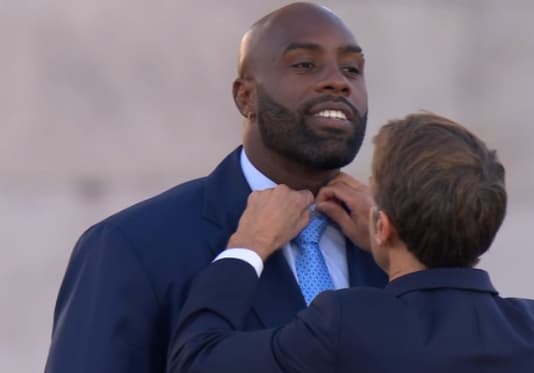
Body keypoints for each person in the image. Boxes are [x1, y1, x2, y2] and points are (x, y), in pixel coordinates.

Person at [44, 3, 387, 373]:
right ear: (245, 97)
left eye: (352, 69)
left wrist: (402, 247)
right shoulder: (132, 245)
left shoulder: (396, 247)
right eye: (304, 64)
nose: (338, 81)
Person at [167, 112, 534, 373]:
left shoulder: (347, 323)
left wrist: (249, 245)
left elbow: (196, 360)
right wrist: (396, 246)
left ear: (381, 225)